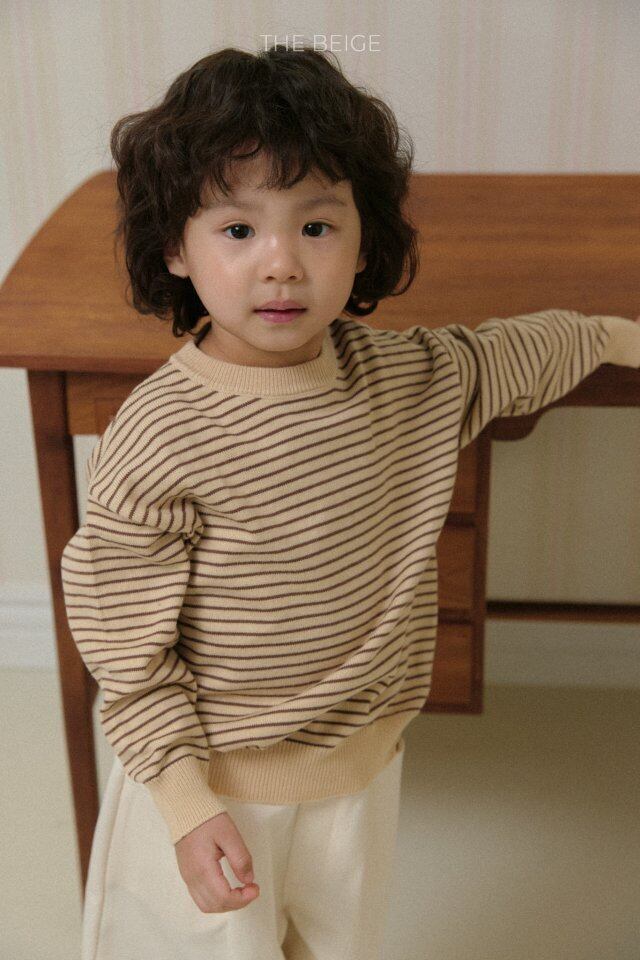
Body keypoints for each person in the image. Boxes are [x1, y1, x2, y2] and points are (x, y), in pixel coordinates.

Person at [60, 42, 640, 960]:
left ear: (364, 238)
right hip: (212, 785)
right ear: (175, 246)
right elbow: (127, 647)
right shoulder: (162, 433)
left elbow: (521, 352)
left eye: (318, 226)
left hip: (361, 771)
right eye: (238, 230)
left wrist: (615, 335)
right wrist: (184, 802)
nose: (282, 263)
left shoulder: (412, 379)